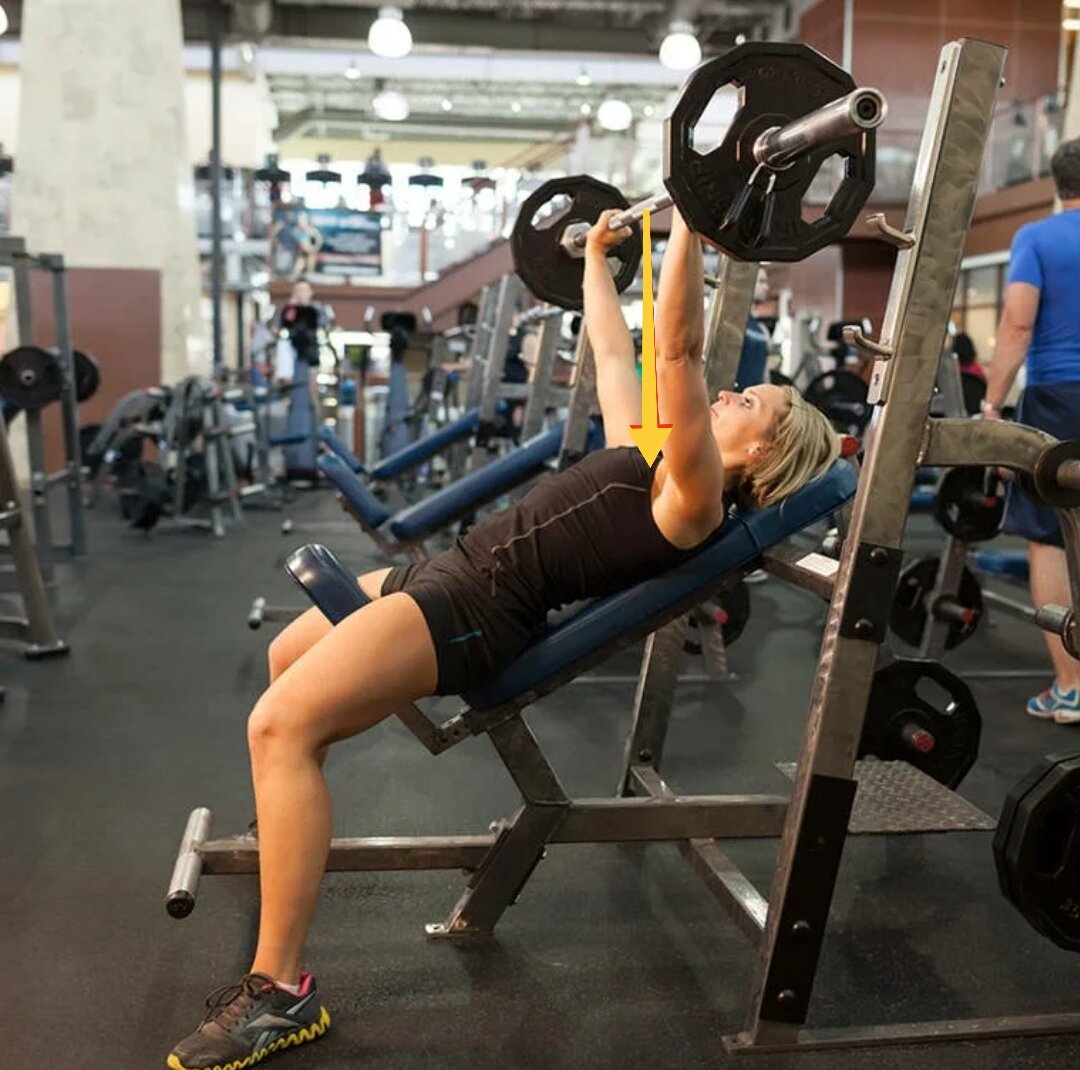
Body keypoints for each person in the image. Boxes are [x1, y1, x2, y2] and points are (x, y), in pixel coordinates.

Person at [166, 210, 841, 1070]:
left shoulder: (695, 502)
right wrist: (601, 258)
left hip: (480, 610)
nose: (735, 396)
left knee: (278, 725)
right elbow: (612, 353)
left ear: (763, 455)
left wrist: (689, 227)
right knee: (286, 659)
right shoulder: (656, 452)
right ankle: (286, 840)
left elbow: (676, 354)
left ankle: (279, 993)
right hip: (451, 573)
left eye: (757, 403)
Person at [985, 136, 1080, 723]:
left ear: (1056, 184)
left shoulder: (1037, 239)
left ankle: (1071, 686)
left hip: (1058, 400)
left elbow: (1018, 325)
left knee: (1049, 537)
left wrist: (992, 407)